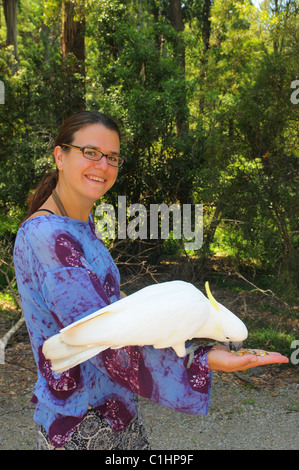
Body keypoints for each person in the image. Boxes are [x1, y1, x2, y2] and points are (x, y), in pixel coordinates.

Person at [13, 110, 288, 450]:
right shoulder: (48, 237)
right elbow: (103, 348)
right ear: (60, 155)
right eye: (90, 152)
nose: (103, 165)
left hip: (116, 409)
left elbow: (108, 311)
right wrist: (202, 359)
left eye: (112, 157)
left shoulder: (79, 227)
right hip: (82, 424)